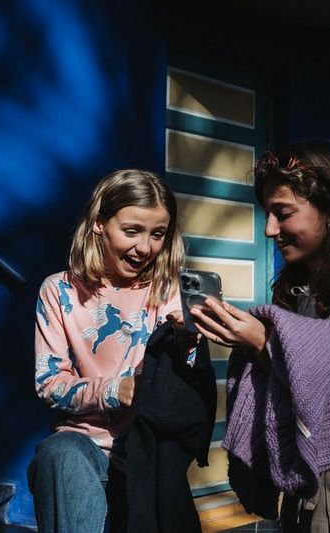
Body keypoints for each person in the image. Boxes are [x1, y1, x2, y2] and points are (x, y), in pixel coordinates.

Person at [190, 140, 330, 532]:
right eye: (267, 214)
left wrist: (264, 342)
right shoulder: (306, 291)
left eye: (283, 213)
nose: (269, 230)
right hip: (310, 477)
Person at [28, 169, 199, 532]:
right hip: (82, 447)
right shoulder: (59, 292)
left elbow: (183, 393)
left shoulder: (169, 292)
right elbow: (49, 383)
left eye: (158, 234)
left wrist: (188, 342)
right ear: (99, 225)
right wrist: (113, 390)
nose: (145, 248)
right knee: (58, 455)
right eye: (132, 231)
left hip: (149, 448)